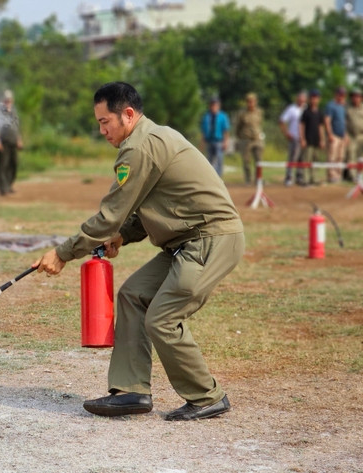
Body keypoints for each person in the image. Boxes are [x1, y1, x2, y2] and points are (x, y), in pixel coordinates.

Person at [33, 82, 244, 421]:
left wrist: (62, 253)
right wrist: (122, 236)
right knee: (133, 295)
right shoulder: (150, 138)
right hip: (187, 241)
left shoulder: (139, 148)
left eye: (105, 122)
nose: (102, 130)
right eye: (99, 123)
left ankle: (207, 396)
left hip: (208, 240)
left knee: (162, 318)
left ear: (127, 115)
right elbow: (156, 206)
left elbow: (108, 216)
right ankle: (131, 390)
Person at [0, 90, 23, 196]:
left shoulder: (14, 113)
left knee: (13, 165)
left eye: (9, 100)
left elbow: (16, 128)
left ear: (12, 101)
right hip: (3, 142)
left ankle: (9, 185)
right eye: (6, 100)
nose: (7, 102)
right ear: (3, 101)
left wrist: (19, 140)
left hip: (13, 142)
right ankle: (3, 188)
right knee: (3, 166)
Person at [279, 91, 307, 186]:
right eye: (300, 99)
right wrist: (286, 133)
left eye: (303, 99)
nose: (301, 101)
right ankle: (289, 177)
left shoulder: (306, 109)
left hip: (304, 138)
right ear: (297, 99)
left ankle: (299, 177)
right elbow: (282, 120)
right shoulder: (291, 109)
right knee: (292, 158)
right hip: (294, 137)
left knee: (302, 159)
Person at [234, 92, 264, 184]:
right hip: (245, 140)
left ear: (255, 102)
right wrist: (240, 138)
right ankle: (248, 179)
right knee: (246, 161)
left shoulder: (259, 112)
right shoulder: (242, 113)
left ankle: (258, 179)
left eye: (252, 101)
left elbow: (260, 124)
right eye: (249, 101)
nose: (250, 103)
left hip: (257, 139)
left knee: (259, 160)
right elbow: (238, 127)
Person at [299, 89, 326, 186]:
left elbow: (321, 127)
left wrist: (322, 140)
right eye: (312, 98)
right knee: (307, 160)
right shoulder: (306, 112)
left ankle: (314, 178)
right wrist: (302, 139)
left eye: (316, 98)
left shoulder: (320, 112)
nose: (314, 100)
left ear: (319, 99)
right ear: (310, 99)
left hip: (316, 140)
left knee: (316, 160)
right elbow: (301, 126)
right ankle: (305, 179)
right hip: (308, 140)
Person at [199, 95, 230, 177]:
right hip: (209, 141)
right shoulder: (206, 117)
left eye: (215, 104)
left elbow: (226, 130)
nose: (213, 106)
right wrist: (202, 144)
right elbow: (203, 131)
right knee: (209, 160)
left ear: (218, 105)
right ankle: (210, 177)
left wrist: (226, 142)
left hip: (219, 141)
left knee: (219, 160)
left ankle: (219, 177)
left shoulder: (222, 116)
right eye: (212, 104)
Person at [323, 86, 348, 183]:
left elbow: (344, 122)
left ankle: (338, 175)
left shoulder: (342, 107)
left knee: (340, 157)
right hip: (334, 135)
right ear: (336, 94)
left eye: (343, 95)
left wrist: (346, 135)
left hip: (342, 136)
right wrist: (329, 134)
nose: (342, 96)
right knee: (332, 156)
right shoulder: (331, 105)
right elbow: (327, 120)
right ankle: (331, 176)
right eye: (340, 94)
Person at [346, 89, 363, 180]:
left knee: (361, 157)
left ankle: (360, 176)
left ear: (361, 98)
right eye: (354, 96)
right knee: (351, 155)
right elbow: (344, 122)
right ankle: (352, 176)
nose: (356, 98)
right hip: (351, 135)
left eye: (358, 96)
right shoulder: (347, 108)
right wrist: (346, 135)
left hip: (362, 135)